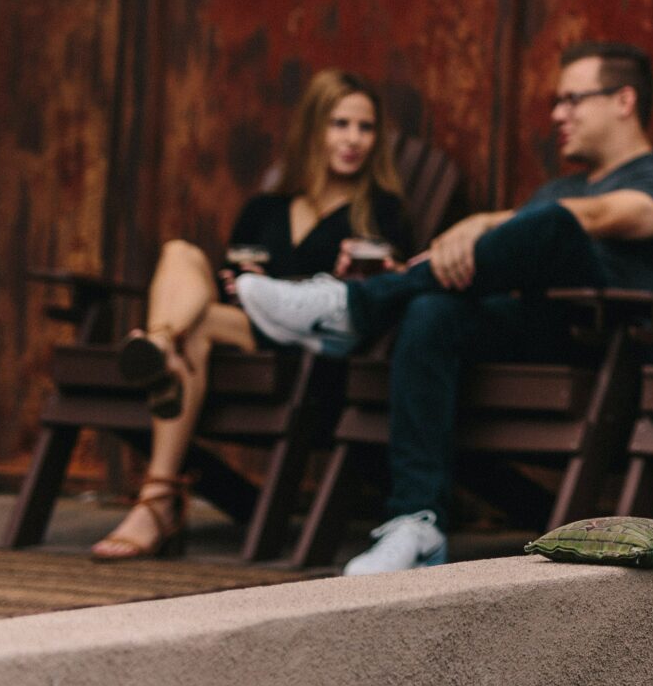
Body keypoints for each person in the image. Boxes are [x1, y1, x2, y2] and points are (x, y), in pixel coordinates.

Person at [236, 40, 653, 575]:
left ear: (623, 100)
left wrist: (482, 222)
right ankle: (417, 525)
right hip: (532, 328)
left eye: (572, 100)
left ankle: (353, 308)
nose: (557, 114)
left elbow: (596, 217)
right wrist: (427, 264)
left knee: (554, 221)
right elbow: (494, 266)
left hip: (608, 346)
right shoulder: (559, 186)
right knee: (431, 313)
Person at [90, 69, 413, 561]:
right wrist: (231, 282)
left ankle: (157, 493)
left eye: (365, 128)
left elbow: (384, 298)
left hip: (310, 351)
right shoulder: (267, 207)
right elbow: (222, 276)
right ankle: (161, 343)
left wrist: (365, 278)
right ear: (313, 128)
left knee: (190, 332)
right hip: (242, 331)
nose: (353, 139)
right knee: (181, 257)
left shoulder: (381, 212)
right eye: (339, 124)